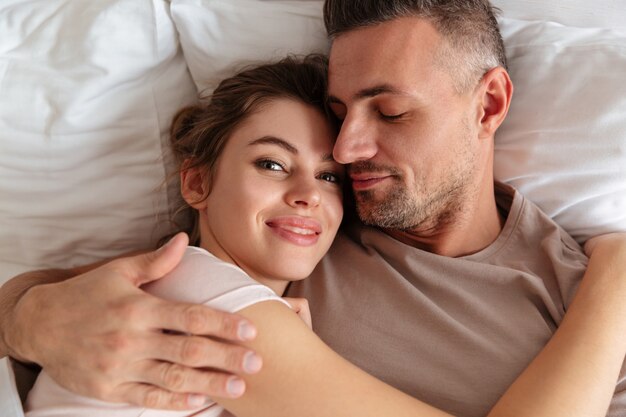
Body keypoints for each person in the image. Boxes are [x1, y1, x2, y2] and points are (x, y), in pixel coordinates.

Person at [2, 1, 626, 416]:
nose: (348, 150)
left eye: (390, 112)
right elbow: (124, 286)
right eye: (338, 113)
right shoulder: (299, 230)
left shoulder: (583, 302)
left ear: (488, 105)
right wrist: (27, 316)